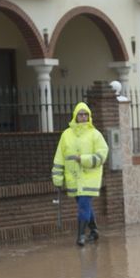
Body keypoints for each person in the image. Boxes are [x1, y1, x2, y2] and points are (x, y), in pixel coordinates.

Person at [51, 101, 109, 245]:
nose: (83, 117)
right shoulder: (66, 135)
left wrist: (82, 159)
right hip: (74, 178)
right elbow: (59, 157)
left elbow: (102, 155)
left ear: (89, 116)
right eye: (80, 114)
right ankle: (94, 230)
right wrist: (57, 177)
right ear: (75, 116)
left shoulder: (95, 134)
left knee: (83, 204)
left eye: (85, 114)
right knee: (85, 206)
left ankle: (81, 236)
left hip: (90, 177)